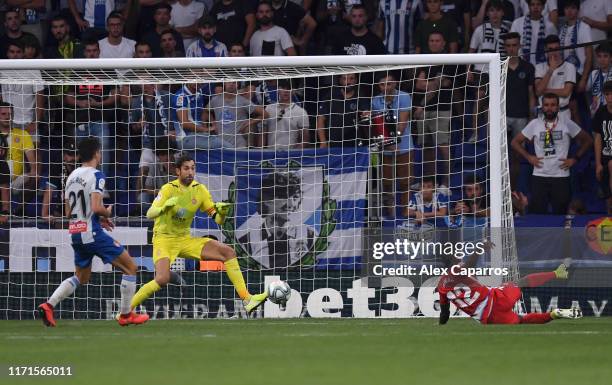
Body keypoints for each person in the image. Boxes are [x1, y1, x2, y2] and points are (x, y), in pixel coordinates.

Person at [130, 153, 269, 316]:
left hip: (184, 239)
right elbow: (150, 213)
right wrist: (164, 207)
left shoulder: (200, 190)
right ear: (177, 171)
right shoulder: (168, 189)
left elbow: (217, 219)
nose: (190, 172)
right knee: (162, 278)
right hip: (164, 239)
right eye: (186, 168)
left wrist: (222, 212)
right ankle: (126, 311)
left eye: (193, 168)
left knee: (228, 252)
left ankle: (247, 299)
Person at [37, 137, 150, 327]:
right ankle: (125, 315)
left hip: (76, 232)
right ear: (97, 153)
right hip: (91, 233)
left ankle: (49, 305)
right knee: (131, 267)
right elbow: (97, 207)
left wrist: (97, 217)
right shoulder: (97, 175)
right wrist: (107, 213)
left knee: (82, 277)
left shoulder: (71, 176)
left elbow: (68, 212)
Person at [438, 253, 581, 325]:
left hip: (488, 318)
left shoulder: (441, 285)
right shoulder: (457, 270)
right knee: (521, 282)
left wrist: (440, 325)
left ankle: (554, 314)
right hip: (496, 298)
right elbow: (468, 265)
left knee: (522, 320)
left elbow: (445, 314)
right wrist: (479, 248)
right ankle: (557, 273)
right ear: (454, 262)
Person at [511, 93, 592, 215]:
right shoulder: (535, 124)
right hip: (539, 176)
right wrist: (528, 157)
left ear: (558, 107)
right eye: (546, 105)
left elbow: (588, 140)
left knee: (560, 215)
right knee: (538, 215)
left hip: (561, 176)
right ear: (542, 107)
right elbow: (514, 142)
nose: (549, 108)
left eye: (553, 105)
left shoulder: (566, 123)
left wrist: (575, 159)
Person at [237, 171, 315, 269]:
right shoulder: (246, 242)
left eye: (295, 197)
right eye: (284, 197)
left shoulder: (310, 236)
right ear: (266, 200)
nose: (291, 204)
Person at [371, 72, 413, 218]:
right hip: (385, 147)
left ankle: (405, 212)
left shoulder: (404, 96)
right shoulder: (375, 101)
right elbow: (377, 126)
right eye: (382, 84)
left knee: (405, 182)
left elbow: (402, 124)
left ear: (395, 84)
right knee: (387, 183)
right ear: (378, 86)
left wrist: (394, 142)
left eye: (389, 84)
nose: (386, 87)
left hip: (404, 146)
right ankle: (390, 214)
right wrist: (388, 144)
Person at [503, 32, 536, 189]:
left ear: (519, 46)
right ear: (505, 47)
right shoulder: (499, 67)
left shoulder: (528, 68)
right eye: (508, 45)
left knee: (517, 156)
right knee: (501, 155)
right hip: (502, 116)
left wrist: (532, 119)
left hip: (521, 117)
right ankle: (501, 188)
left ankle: (514, 190)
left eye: (514, 45)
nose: (511, 48)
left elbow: (531, 94)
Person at [0, 101, 38, 213]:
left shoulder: (22, 134)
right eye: (3, 114)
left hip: (16, 181)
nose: (7, 117)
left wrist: (33, 172)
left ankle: (19, 211)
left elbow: (32, 161)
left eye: (10, 114)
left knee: (34, 178)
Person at [207, 81, 267, 148]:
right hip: (221, 141)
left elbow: (265, 114)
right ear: (224, 83)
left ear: (237, 85)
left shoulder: (243, 101)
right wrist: (213, 123)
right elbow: (205, 112)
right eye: (229, 82)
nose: (231, 84)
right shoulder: (215, 100)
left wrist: (249, 122)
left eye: (234, 83)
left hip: (238, 142)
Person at [316, 73, 369, 148]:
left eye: (351, 78)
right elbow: (321, 119)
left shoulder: (361, 97)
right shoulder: (331, 95)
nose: (348, 82)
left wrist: (365, 114)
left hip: (355, 144)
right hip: (333, 144)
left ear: (356, 80)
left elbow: (366, 115)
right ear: (340, 80)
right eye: (344, 78)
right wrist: (323, 141)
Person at [534, 35, 576, 122]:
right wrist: (551, 69)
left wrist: (545, 91)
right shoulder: (539, 67)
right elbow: (538, 91)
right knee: (545, 136)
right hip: (544, 114)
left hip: (563, 113)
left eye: (556, 48)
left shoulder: (570, 67)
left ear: (560, 48)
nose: (554, 52)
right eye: (550, 49)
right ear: (546, 50)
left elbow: (566, 92)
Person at [264, 80, 309, 149]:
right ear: (278, 89)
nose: (286, 91)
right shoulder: (269, 109)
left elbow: (305, 140)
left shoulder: (301, 112)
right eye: (283, 87)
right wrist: (261, 153)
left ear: (294, 91)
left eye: (289, 88)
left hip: (291, 156)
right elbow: (263, 133)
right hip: (270, 154)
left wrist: (294, 154)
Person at [468, 0, 512, 73]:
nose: (495, 14)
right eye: (492, 10)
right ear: (487, 13)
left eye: (498, 10)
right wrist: (468, 70)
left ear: (503, 13)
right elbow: (471, 52)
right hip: (481, 71)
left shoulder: (508, 31)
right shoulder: (479, 30)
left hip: (501, 72)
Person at [510, 0, 556, 66]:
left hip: (544, 66)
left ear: (543, 7)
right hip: (521, 66)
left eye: (538, 4)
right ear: (528, 6)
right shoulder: (517, 23)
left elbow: (554, 50)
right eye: (532, 4)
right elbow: (512, 47)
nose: (535, 7)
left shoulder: (550, 26)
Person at [593, 81, 612, 214]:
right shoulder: (601, 112)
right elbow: (598, 138)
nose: (610, 98)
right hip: (605, 156)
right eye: (607, 94)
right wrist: (598, 163)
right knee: (607, 196)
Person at [587, 43, 612, 117]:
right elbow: (587, 91)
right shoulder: (593, 74)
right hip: (596, 113)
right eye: (599, 56)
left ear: (611, 58)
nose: (602, 59)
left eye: (605, 56)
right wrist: (590, 103)